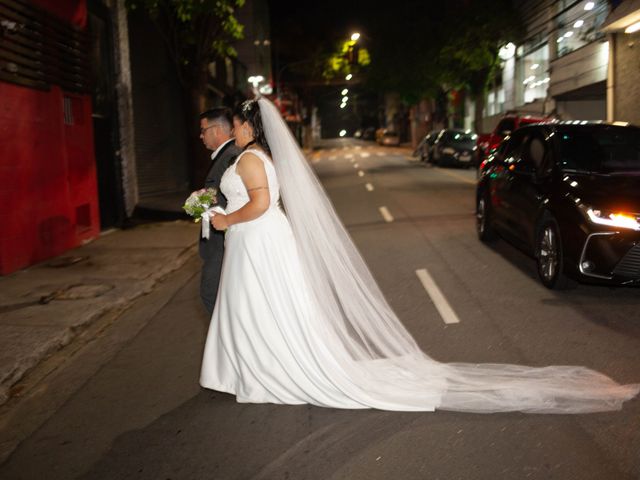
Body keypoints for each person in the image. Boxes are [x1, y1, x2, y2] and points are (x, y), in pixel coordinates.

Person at [199, 98, 639, 413]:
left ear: (250, 127)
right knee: (262, 307)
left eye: (236, 124)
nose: (232, 130)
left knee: (261, 306)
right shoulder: (256, 157)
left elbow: (257, 204)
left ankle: (264, 369)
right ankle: (251, 367)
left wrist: (223, 220)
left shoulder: (252, 160)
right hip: (257, 240)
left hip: (255, 237)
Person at [197, 108, 241, 316]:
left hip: (223, 243)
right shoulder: (224, 156)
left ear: (216, 130)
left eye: (203, 130)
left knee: (211, 292)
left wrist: (204, 203)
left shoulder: (231, 157)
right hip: (218, 242)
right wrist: (199, 201)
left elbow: (235, 197)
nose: (201, 135)